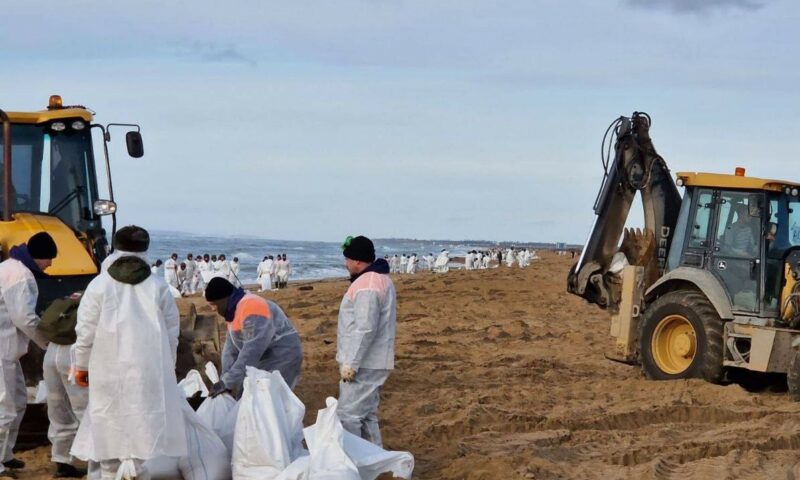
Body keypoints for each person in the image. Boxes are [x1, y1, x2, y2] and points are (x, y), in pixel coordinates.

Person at [71, 226, 187, 479]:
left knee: (109, 426)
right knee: (144, 428)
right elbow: (171, 334)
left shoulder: (99, 285)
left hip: (106, 367)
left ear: (115, 246)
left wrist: (80, 365)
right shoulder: (158, 286)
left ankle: (111, 473)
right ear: (145, 249)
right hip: (148, 369)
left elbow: (85, 331)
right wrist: (168, 368)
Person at [0, 232, 56, 478]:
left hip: (10, 351)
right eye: (49, 259)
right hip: (2, 349)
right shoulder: (20, 275)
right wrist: (48, 342)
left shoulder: (9, 266)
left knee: (19, 401)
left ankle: (6, 454)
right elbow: (24, 318)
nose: (51, 264)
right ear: (39, 256)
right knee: (5, 408)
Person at [337, 235, 396, 446]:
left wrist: (351, 364)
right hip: (371, 360)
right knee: (367, 415)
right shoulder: (375, 279)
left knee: (348, 416)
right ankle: (375, 460)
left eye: (347, 259)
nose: (345, 264)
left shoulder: (368, 284)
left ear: (357, 260)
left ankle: (354, 461)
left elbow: (365, 328)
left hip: (366, 363)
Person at [205, 277, 303, 396]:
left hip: (282, 356)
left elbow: (251, 351)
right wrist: (224, 379)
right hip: (263, 357)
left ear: (223, 300)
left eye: (213, 304)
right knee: (246, 396)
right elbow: (230, 350)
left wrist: (228, 382)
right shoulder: (233, 312)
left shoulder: (252, 308)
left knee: (269, 400)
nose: (213, 309)